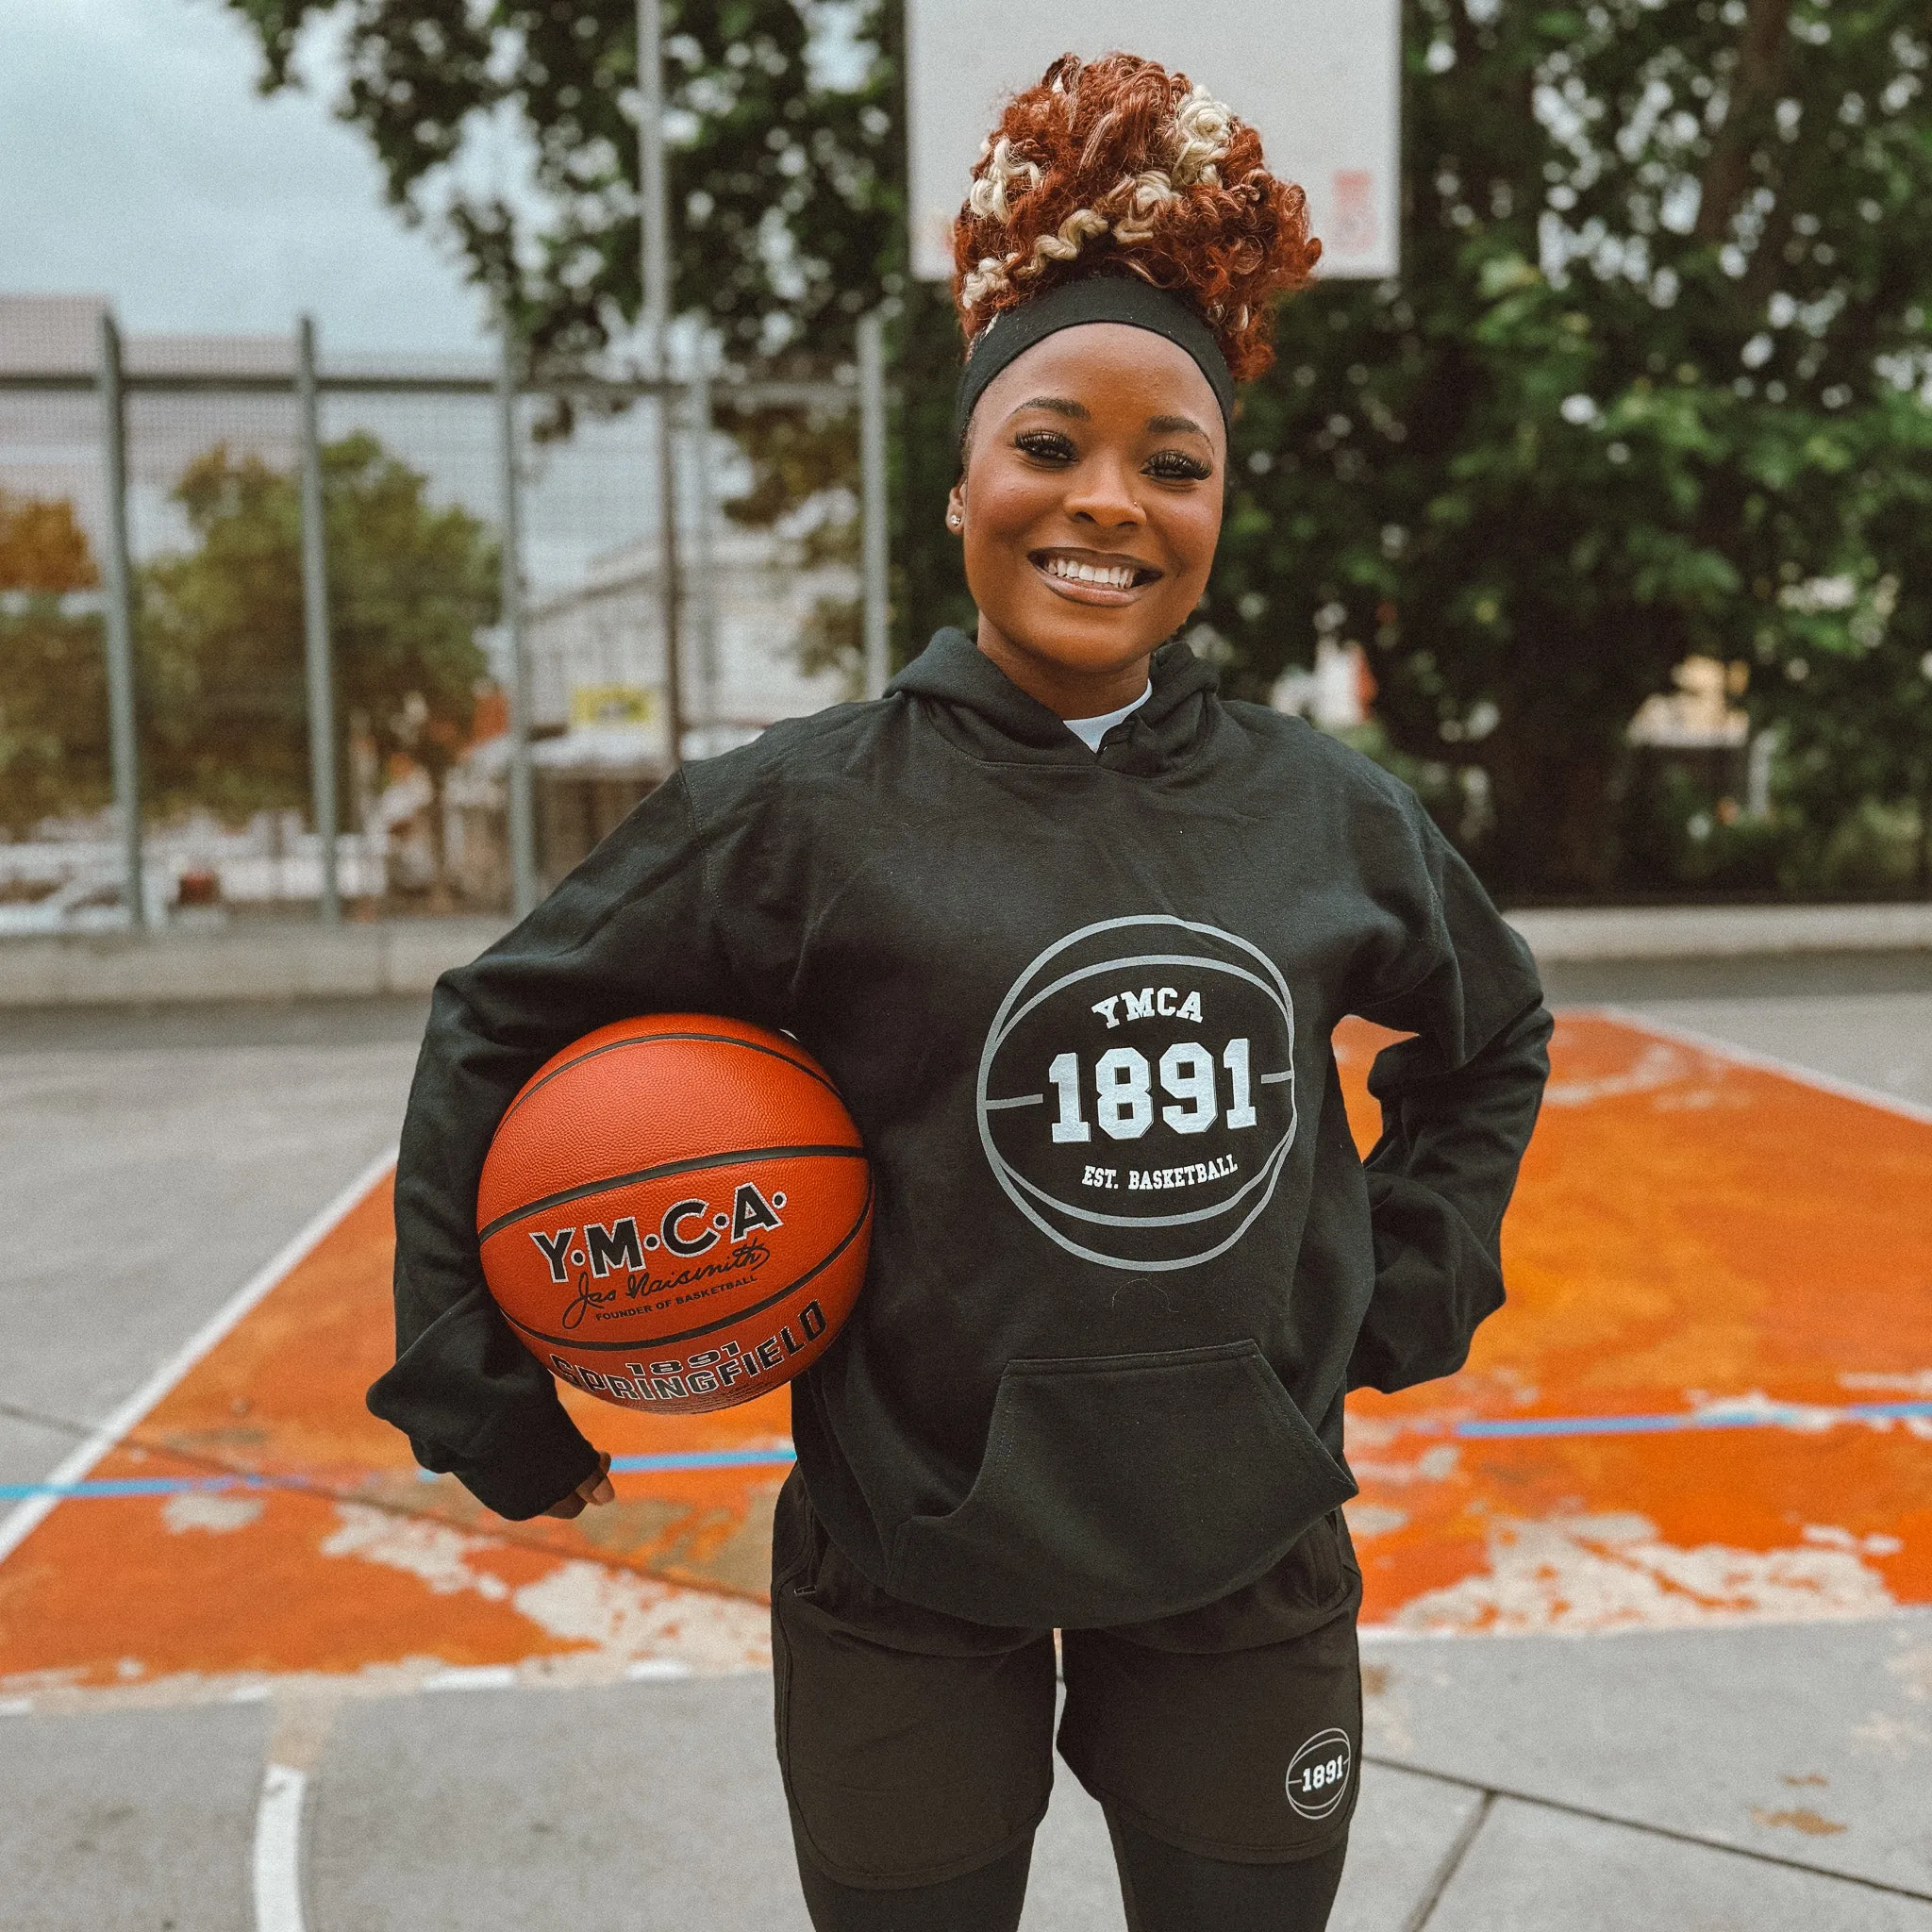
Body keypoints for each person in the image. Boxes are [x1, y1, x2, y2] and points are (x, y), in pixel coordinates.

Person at [371, 51, 1551, 1932]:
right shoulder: (808, 810)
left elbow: (1487, 1038)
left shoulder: (1328, 814)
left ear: (1222, 507)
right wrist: (482, 1375)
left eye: (1175, 464)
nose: (1110, 502)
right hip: (905, 1560)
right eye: (1051, 443)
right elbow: (495, 1017)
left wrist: (1397, 1292)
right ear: (962, 488)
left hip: (1238, 1544)